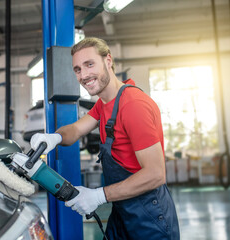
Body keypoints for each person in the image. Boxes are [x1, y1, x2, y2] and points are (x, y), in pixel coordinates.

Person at [30, 37, 180, 239]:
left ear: (108, 61)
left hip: (150, 216)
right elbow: (75, 129)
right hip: (122, 210)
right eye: (77, 69)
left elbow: (155, 174)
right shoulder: (105, 103)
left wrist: (98, 196)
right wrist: (54, 138)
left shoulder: (133, 105)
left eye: (89, 64)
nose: (84, 75)